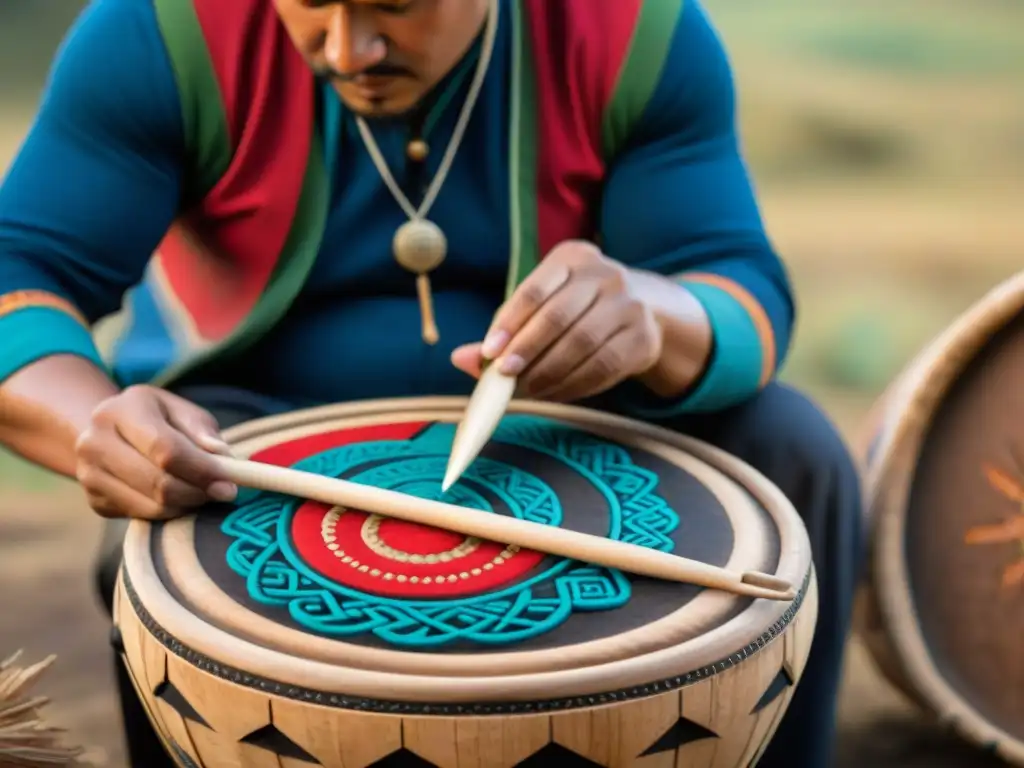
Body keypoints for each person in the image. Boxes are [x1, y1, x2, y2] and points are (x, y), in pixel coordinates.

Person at [0, 0, 863, 765]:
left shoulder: (630, 28)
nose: (348, 50)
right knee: (153, 549)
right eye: (309, 6)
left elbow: (735, 287)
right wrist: (94, 422)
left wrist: (651, 312)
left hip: (573, 420)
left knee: (794, 452)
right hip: (250, 437)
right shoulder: (162, 31)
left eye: (395, 7)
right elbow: (20, 271)